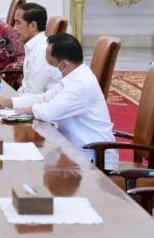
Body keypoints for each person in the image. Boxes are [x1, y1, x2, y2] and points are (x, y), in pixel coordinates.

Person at [15, 33, 118, 170]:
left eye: (50, 63)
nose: (47, 67)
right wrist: (10, 102)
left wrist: (29, 109)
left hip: (93, 157)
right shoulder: (71, 77)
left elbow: (50, 112)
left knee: (34, 167)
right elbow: (44, 98)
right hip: (73, 149)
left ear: (64, 64)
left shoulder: (81, 84)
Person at [0, 3, 58, 108]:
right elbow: (26, 87)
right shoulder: (32, 46)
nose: (14, 28)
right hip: (32, 106)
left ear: (33, 26)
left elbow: (34, 94)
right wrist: (6, 99)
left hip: (45, 113)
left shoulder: (43, 50)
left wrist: (10, 102)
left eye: (18, 23)